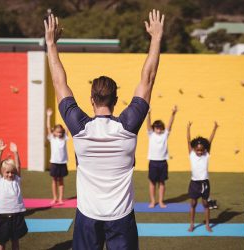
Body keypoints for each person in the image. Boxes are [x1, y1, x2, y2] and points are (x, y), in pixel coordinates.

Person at [44, 9, 164, 249]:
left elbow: (59, 83)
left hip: (87, 216)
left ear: (91, 99)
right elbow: (148, 79)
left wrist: (51, 43)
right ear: (117, 99)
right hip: (121, 217)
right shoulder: (128, 126)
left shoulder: (79, 127)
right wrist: (156, 38)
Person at [0, 140, 27, 250]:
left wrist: (16, 153)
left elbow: (18, 166)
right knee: (1, 242)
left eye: (12, 172)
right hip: (3, 217)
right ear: (2, 172)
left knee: (15, 241)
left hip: (17, 217)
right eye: (7, 172)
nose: (10, 174)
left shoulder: (17, 180)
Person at [186, 121, 218, 232]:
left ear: (204, 149)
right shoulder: (191, 154)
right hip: (194, 183)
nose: (199, 152)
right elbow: (188, 140)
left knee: (205, 204)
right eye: (197, 149)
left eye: (201, 150)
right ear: (193, 148)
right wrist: (188, 128)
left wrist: (215, 128)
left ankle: (207, 224)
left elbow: (210, 141)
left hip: (205, 183)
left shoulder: (206, 154)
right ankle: (192, 224)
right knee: (193, 203)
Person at [146, 106, 178, 208]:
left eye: (160, 128)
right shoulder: (151, 134)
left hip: (163, 162)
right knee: (152, 183)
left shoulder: (165, 135)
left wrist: (173, 114)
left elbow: (170, 125)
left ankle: (160, 201)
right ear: (154, 128)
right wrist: (148, 114)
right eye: (157, 128)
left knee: (162, 183)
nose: (159, 130)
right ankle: (152, 201)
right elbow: (148, 125)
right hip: (153, 162)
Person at [46, 107, 69, 205]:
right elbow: (48, 127)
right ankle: (54, 198)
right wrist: (48, 116)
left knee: (61, 181)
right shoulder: (52, 138)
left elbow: (67, 127)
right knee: (54, 180)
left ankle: (60, 198)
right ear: (53, 132)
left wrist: (67, 116)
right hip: (54, 163)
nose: (59, 133)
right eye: (57, 132)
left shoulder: (64, 138)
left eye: (60, 132)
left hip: (62, 162)